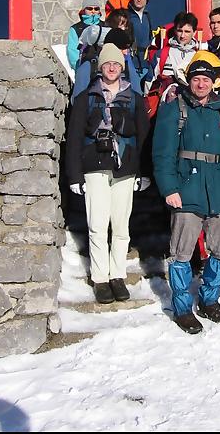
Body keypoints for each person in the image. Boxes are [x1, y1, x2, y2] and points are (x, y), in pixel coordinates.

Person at [152, 54, 220, 334]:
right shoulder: (174, 109)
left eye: (206, 79)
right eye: (196, 79)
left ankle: (209, 301)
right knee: (181, 254)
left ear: (213, 82)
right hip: (186, 189)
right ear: (189, 81)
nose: (201, 84)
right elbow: (162, 153)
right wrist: (169, 188)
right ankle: (183, 308)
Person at [66, 43, 150, 303]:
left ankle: (118, 275)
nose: (112, 68)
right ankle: (101, 278)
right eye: (107, 64)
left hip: (125, 167)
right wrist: (74, 175)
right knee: (98, 225)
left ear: (122, 68)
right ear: (100, 67)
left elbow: (144, 137)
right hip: (94, 166)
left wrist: (144, 172)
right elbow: (74, 137)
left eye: (116, 64)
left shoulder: (135, 98)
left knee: (121, 225)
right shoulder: (86, 98)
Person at [144, 11, 201, 98]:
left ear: (194, 32)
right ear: (175, 30)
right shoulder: (162, 54)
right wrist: (147, 101)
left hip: (192, 101)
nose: (182, 35)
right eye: (179, 31)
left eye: (187, 31)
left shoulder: (198, 56)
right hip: (165, 102)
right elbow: (150, 81)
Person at [66, 0, 103, 71]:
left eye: (96, 9)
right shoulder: (75, 28)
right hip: (83, 67)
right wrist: (78, 67)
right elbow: (72, 50)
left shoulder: (106, 26)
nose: (93, 11)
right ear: (84, 10)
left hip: (104, 68)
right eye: (89, 8)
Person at [127, 0, 153, 79]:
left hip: (146, 62)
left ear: (146, 0)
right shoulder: (127, 15)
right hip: (131, 61)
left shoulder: (147, 16)